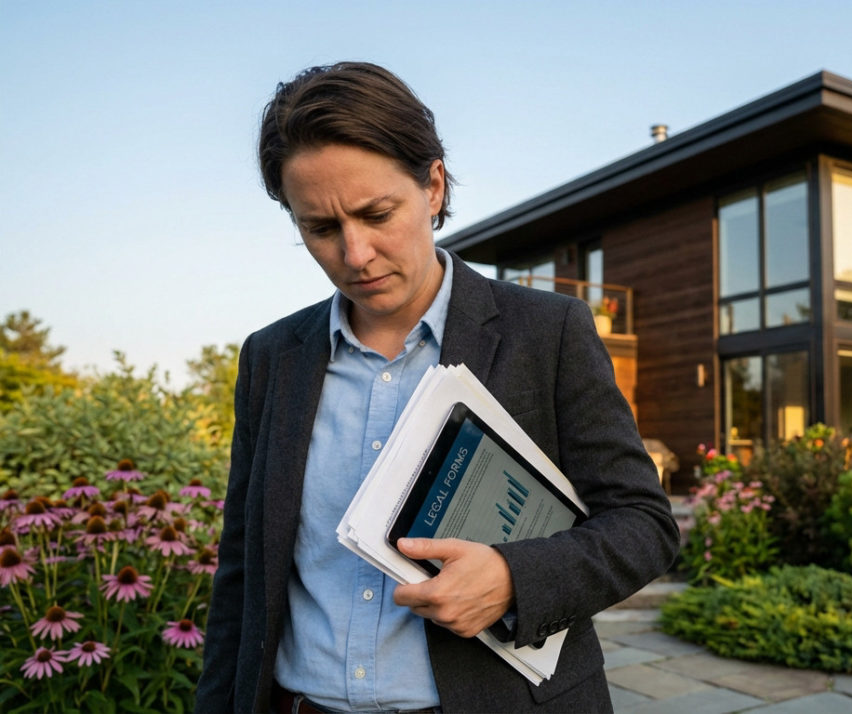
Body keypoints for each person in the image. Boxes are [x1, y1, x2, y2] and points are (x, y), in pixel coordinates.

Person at [196, 62, 678, 714]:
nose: (356, 253)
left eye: (377, 213)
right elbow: (242, 572)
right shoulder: (271, 358)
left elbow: (645, 526)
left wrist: (514, 579)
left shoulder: (547, 332)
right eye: (321, 228)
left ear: (434, 186)